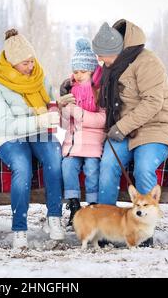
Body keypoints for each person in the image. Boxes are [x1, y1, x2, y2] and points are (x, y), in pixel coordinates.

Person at [92, 19, 168, 246]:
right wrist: (70, 87)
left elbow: (152, 103)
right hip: (125, 130)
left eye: (102, 55)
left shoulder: (148, 62)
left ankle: (145, 233)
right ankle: (106, 229)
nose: (99, 60)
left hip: (155, 127)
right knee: (108, 165)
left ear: (117, 51)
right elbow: (97, 94)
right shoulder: (111, 67)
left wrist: (120, 127)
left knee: (143, 167)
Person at [0, 28, 72, 249]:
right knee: (23, 168)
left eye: (32, 61)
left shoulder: (39, 77)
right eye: (25, 63)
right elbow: (5, 124)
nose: (31, 67)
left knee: (55, 158)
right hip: (8, 137)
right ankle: (19, 229)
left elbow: (50, 99)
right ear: (12, 63)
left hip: (39, 132)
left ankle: (54, 217)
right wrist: (39, 121)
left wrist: (59, 104)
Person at [58, 38, 106, 226]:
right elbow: (63, 125)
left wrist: (80, 113)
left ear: (92, 70)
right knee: (67, 168)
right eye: (76, 71)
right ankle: (74, 206)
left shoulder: (99, 91)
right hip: (73, 144)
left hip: (93, 144)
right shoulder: (70, 91)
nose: (78, 75)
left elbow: (103, 119)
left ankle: (93, 206)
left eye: (83, 71)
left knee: (92, 170)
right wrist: (62, 109)